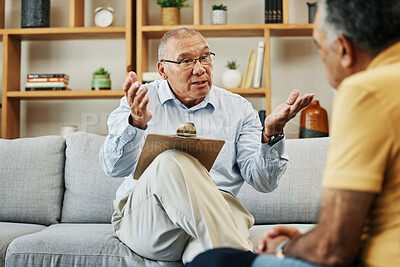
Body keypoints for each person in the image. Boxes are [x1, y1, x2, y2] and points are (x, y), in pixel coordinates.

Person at [186, 0, 400, 266]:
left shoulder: (365, 90)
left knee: (212, 261)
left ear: (344, 49)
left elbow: (333, 248)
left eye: (319, 47)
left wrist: (286, 247)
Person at [99, 27, 313, 263]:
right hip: (149, 220)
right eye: (186, 61)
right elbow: (113, 168)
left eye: (204, 57)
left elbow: (264, 182)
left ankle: (225, 255)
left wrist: (272, 134)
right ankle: (248, 258)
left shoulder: (238, 109)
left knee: (209, 256)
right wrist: (136, 124)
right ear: (163, 69)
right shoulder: (139, 102)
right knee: (172, 160)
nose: (200, 68)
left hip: (216, 213)